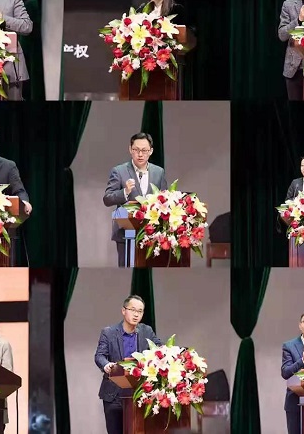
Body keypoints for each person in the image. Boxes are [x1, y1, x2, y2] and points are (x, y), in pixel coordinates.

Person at [94, 295, 163, 434]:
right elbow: (99, 356)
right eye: (133, 310)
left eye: (140, 311)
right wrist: (106, 365)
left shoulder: (146, 331)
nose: (136, 314)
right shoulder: (109, 332)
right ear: (123, 310)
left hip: (139, 394)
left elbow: (160, 349)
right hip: (114, 394)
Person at [103, 133, 167, 267]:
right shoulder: (119, 171)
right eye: (136, 150)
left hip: (151, 235)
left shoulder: (159, 172)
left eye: (144, 150)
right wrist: (125, 192)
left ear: (151, 151)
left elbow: (164, 200)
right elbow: (107, 199)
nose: (140, 154)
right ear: (130, 149)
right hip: (126, 233)